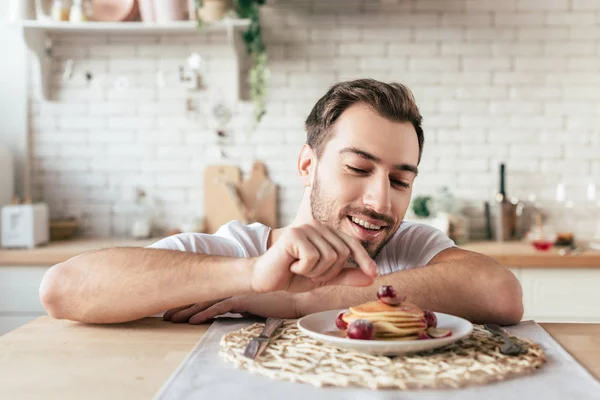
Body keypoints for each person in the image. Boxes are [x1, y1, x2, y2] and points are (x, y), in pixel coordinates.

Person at [39, 79, 523, 326]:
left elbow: (500, 293)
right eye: (358, 169)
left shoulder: (412, 249)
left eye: (400, 180)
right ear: (307, 165)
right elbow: (62, 289)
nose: (380, 200)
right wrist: (252, 276)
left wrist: (300, 301)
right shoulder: (233, 251)